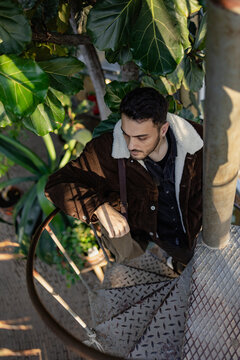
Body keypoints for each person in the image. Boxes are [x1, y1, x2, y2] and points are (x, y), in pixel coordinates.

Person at [45, 87, 203, 270]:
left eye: (142, 137)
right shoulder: (106, 150)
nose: (131, 145)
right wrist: (99, 207)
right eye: (126, 134)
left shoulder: (198, 142)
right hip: (148, 244)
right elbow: (57, 184)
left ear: (163, 129)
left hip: (199, 238)